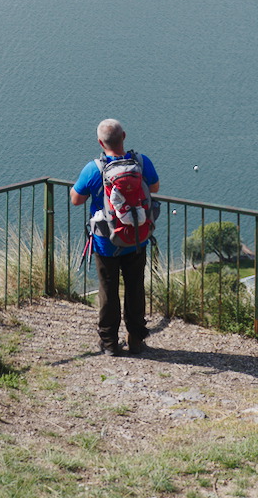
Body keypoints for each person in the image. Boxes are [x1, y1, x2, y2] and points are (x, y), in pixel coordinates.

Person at [70, 119, 159, 356]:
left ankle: (109, 343)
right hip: (137, 238)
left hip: (106, 242)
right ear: (124, 136)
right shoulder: (141, 162)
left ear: (100, 142)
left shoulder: (94, 169)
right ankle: (137, 340)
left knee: (108, 292)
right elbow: (156, 187)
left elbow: (76, 199)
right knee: (135, 288)